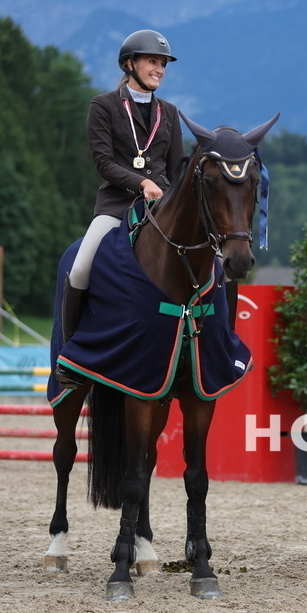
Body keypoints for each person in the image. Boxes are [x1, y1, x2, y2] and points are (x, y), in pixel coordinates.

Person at [57, 29, 185, 387]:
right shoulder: (104, 106)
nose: (158, 69)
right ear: (130, 64)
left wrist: (173, 200)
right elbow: (103, 162)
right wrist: (141, 182)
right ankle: (72, 357)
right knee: (80, 269)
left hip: (160, 211)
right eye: (152, 62)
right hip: (116, 206)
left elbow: (175, 170)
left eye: (162, 64)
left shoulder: (171, 113)